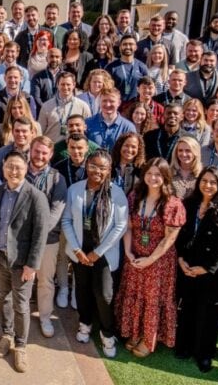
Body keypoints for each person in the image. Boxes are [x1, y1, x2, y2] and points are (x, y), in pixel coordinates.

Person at [0, 151, 49, 373]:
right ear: (4, 167)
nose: (13, 171)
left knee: (21, 304)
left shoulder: (36, 197)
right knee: (4, 298)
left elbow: (40, 234)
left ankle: (20, 345)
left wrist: (32, 264)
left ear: (26, 169)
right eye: (10, 166)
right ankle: (6, 334)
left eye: (18, 167)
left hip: (22, 263)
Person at [116, 158, 186, 358]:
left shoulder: (173, 204)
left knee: (152, 300)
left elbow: (170, 238)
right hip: (135, 256)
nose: (152, 178)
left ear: (165, 177)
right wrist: (128, 252)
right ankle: (135, 333)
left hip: (159, 262)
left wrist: (150, 259)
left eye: (157, 174)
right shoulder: (134, 196)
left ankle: (148, 339)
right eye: (149, 173)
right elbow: (129, 227)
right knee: (134, 294)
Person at [62, 149, 128, 358]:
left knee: (104, 294)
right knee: (82, 290)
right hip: (80, 251)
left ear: (109, 170)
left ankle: (107, 333)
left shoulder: (117, 193)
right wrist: (77, 249)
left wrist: (97, 253)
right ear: (86, 165)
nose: (97, 171)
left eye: (102, 167)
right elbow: (67, 220)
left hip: (104, 253)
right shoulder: (74, 189)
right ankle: (85, 323)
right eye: (93, 166)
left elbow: (120, 226)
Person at [175, 166, 218, 373]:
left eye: (213, 182)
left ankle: (204, 354)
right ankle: (184, 346)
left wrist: (206, 268)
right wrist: (181, 259)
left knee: (210, 316)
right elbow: (179, 234)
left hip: (213, 273)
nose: (208, 185)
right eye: (204, 180)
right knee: (188, 309)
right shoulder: (189, 203)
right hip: (188, 266)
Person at [26, 136, 68, 336]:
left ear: (51, 155)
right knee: (22, 280)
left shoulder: (57, 178)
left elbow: (55, 212)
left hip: (47, 240)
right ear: (30, 150)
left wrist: (37, 235)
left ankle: (44, 317)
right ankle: (21, 317)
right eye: (36, 151)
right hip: (21, 240)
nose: (39, 156)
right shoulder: (19, 172)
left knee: (45, 281)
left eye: (44, 153)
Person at [37, 71, 91, 143]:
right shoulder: (46, 106)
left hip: (75, 146)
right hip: (52, 146)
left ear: (74, 85)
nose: (65, 87)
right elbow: (40, 131)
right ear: (57, 85)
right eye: (62, 84)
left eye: (68, 84)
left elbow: (88, 130)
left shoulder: (83, 106)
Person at [105, 35, 147, 102]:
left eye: (131, 44)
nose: (127, 47)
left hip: (136, 105)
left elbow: (146, 87)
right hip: (117, 105)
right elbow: (107, 89)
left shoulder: (142, 66)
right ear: (120, 47)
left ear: (135, 47)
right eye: (124, 44)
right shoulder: (111, 67)